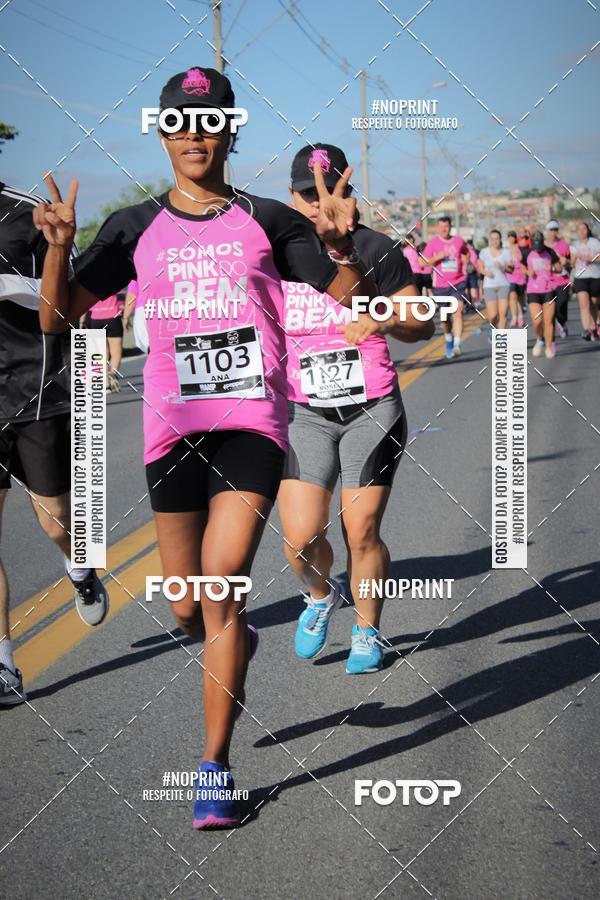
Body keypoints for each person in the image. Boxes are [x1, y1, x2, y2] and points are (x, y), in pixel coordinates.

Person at [35, 67, 380, 828]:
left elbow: (350, 300)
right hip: (171, 431)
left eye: (209, 120)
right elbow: (57, 318)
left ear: (230, 131)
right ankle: (232, 639)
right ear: (162, 135)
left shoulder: (269, 220)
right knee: (188, 605)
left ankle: (214, 769)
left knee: (221, 585)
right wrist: (58, 249)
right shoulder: (131, 227)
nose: (194, 133)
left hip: (252, 423)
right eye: (178, 122)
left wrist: (339, 245)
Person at [278, 144, 433, 675]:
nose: (318, 203)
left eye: (330, 191)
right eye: (307, 194)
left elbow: (421, 324)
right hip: (304, 413)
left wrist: (384, 318)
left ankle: (367, 628)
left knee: (360, 529)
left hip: (372, 407)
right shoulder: (276, 252)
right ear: (291, 196)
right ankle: (321, 596)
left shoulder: (376, 247)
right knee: (300, 537)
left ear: (350, 193)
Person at [0, 182, 109, 707]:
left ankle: (80, 566)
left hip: (37, 391)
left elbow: (70, 306)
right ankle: (4, 662)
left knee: (55, 521)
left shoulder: (30, 212)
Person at [422, 215, 470, 359]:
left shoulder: (459, 241)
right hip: (440, 286)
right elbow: (422, 262)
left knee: (458, 312)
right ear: (438, 228)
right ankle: (449, 338)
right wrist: (437, 258)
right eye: (441, 227)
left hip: (458, 282)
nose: (444, 229)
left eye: (446, 226)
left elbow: (467, 252)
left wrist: (466, 263)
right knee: (444, 319)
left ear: (450, 227)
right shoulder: (433, 243)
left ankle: (457, 344)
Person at [526, 230, 561, 358]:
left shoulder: (550, 252)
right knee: (537, 321)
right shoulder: (527, 252)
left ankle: (549, 346)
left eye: (539, 245)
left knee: (548, 320)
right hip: (533, 290)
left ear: (542, 242)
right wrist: (528, 271)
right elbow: (521, 267)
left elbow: (559, 268)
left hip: (548, 289)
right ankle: (540, 338)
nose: (538, 249)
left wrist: (552, 268)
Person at [87, 290, 126, 392]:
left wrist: (83, 322)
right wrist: (123, 313)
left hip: (96, 318)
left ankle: (106, 385)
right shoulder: (114, 281)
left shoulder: (91, 284)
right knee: (116, 353)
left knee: (102, 354)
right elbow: (121, 296)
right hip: (113, 317)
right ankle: (113, 373)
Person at [478, 229, 512, 338]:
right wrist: (485, 272)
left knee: (503, 314)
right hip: (489, 286)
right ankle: (493, 329)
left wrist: (503, 267)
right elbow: (479, 267)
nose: (495, 241)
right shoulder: (484, 252)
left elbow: (511, 269)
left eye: (497, 239)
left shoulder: (506, 252)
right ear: (489, 240)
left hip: (503, 285)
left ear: (500, 239)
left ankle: (501, 338)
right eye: (492, 239)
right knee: (493, 315)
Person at [570, 222, 600, 341]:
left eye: (584, 229)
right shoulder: (574, 245)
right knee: (584, 305)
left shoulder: (595, 242)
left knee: (594, 304)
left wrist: (587, 258)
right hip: (580, 277)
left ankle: (594, 326)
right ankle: (587, 330)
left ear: (588, 230)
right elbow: (572, 264)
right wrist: (574, 258)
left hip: (595, 276)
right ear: (577, 232)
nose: (582, 231)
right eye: (579, 229)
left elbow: (599, 258)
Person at [545, 220, 571, 339]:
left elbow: (571, 262)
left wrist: (566, 262)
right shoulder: (543, 246)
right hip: (548, 282)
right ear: (547, 231)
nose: (553, 232)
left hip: (562, 280)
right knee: (551, 307)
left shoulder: (564, 244)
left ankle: (562, 321)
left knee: (562, 303)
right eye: (551, 230)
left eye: (555, 230)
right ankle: (552, 333)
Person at [506, 230, 527, 328]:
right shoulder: (505, 250)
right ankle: (514, 317)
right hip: (510, 275)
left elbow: (524, 259)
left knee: (520, 298)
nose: (511, 239)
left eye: (513, 237)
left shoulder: (520, 248)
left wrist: (517, 255)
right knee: (512, 296)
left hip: (520, 275)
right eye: (509, 237)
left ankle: (521, 317)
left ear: (515, 238)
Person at [465, 240, 481, 309]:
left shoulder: (464, 250)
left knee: (465, 288)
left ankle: (467, 303)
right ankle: (473, 304)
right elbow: (477, 262)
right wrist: (479, 272)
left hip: (464, 272)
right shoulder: (475, 251)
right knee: (473, 288)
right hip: (473, 271)